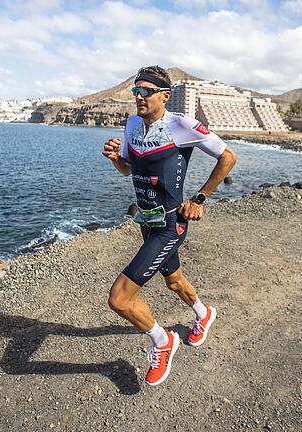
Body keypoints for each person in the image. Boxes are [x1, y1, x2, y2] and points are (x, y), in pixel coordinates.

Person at [101, 65, 237, 386]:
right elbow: (127, 170)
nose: (139, 97)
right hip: (145, 221)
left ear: (165, 96)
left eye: (146, 91)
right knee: (174, 280)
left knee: (119, 299)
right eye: (136, 91)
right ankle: (204, 314)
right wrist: (115, 160)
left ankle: (163, 341)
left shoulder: (182, 125)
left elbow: (228, 157)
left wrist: (199, 198)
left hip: (170, 224)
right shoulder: (132, 124)